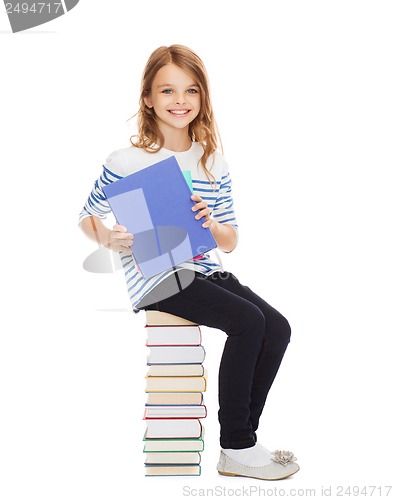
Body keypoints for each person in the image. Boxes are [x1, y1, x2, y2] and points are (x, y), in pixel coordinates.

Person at [79, 44, 299, 480]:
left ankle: (243, 443)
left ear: (202, 98)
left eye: (191, 91)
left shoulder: (212, 161)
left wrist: (211, 221)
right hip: (156, 273)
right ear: (148, 98)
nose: (180, 101)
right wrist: (111, 237)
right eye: (167, 91)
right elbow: (87, 215)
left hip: (206, 268)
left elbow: (231, 240)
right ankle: (237, 444)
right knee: (247, 322)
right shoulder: (124, 161)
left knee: (277, 327)